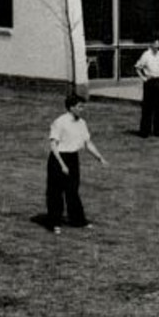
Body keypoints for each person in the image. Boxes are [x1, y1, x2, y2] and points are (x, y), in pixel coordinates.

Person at [46, 93, 107, 234]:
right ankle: (54, 223)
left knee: (72, 190)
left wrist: (99, 157)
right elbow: (53, 145)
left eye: (83, 106)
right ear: (71, 107)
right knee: (55, 192)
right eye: (80, 107)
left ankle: (78, 221)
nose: (82, 109)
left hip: (73, 158)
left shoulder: (82, 123)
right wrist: (62, 165)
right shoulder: (60, 122)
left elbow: (87, 143)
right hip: (58, 158)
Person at [134, 40, 159, 137]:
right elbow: (138, 67)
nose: (157, 45)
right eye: (155, 43)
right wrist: (144, 78)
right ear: (151, 44)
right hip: (150, 81)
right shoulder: (146, 55)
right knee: (148, 107)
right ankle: (145, 131)